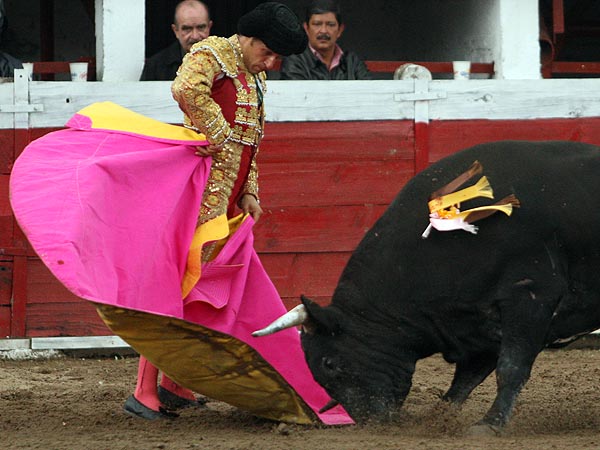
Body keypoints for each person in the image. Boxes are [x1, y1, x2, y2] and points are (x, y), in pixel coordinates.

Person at [123, 2, 307, 419]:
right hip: (196, 197)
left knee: (203, 294)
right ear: (251, 39)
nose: (272, 62)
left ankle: (173, 385)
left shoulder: (254, 75)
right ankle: (143, 391)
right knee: (179, 289)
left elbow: (252, 139)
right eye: (269, 52)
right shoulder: (211, 54)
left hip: (227, 202)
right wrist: (217, 132)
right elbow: (185, 90)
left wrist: (250, 191)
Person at [280, 0, 371, 80]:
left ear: (340, 30)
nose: (323, 31)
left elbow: (369, 94)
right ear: (306, 28)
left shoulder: (352, 62)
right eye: (317, 24)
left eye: (330, 24)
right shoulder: (295, 60)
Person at [140, 0, 213, 81]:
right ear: (176, 31)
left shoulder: (224, 64)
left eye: (201, 28)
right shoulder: (155, 67)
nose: (195, 36)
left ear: (209, 27)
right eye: (187, 29)